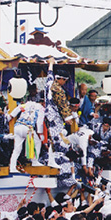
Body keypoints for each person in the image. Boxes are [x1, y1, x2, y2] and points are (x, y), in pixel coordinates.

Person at [44, 58, 74, 187]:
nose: (65, 83)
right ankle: (63, 174)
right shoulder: (59, 91)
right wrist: (69, 119)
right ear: (61, 79)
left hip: (47, 116)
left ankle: (52, 162)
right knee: (60, 145)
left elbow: (49, 74)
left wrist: (50, 64)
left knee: (53, 142)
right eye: (65, 80)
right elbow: (63, 106)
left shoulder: (49, 83)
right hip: (55, 119)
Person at [8, 98, 45, 173]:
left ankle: (12, 167)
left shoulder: (26, 104)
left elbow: (15, 111)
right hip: (28, 128)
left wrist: (9, 118)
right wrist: (40, 133)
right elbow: (39, 122)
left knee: (17, 149)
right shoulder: (41, 108)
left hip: (17, 127)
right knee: (38, 142)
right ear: (42, 103)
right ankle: (34, 161)